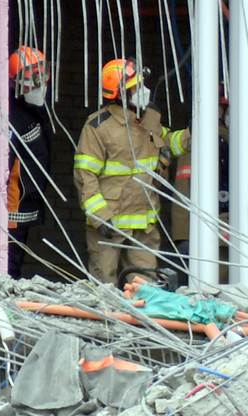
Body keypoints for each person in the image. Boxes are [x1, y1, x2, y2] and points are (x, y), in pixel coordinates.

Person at [74, 58, 190, 287]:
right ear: (121, 93)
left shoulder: (149, 117)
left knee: (146, 290)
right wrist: (101, 217)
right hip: (110, 226)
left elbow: (167, 142)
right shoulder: (98, 127)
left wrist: (190, 133)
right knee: (105, 285)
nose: (143, 90)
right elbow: (84, 176)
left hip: (144, 226)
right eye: (136, 87)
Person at [170, 83, 231, 282]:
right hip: (203, 230)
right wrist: (184, 237)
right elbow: (183, 191)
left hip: (232, 231)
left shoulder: (238, 143)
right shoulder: (194, 145)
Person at [7, 46, 52, 279]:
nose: (40, 86)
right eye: (33, 82)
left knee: (17, 259)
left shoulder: (32, 112)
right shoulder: (12, 116)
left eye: (41, 79)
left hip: (25, 205)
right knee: (9, 264)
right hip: (13, 209)